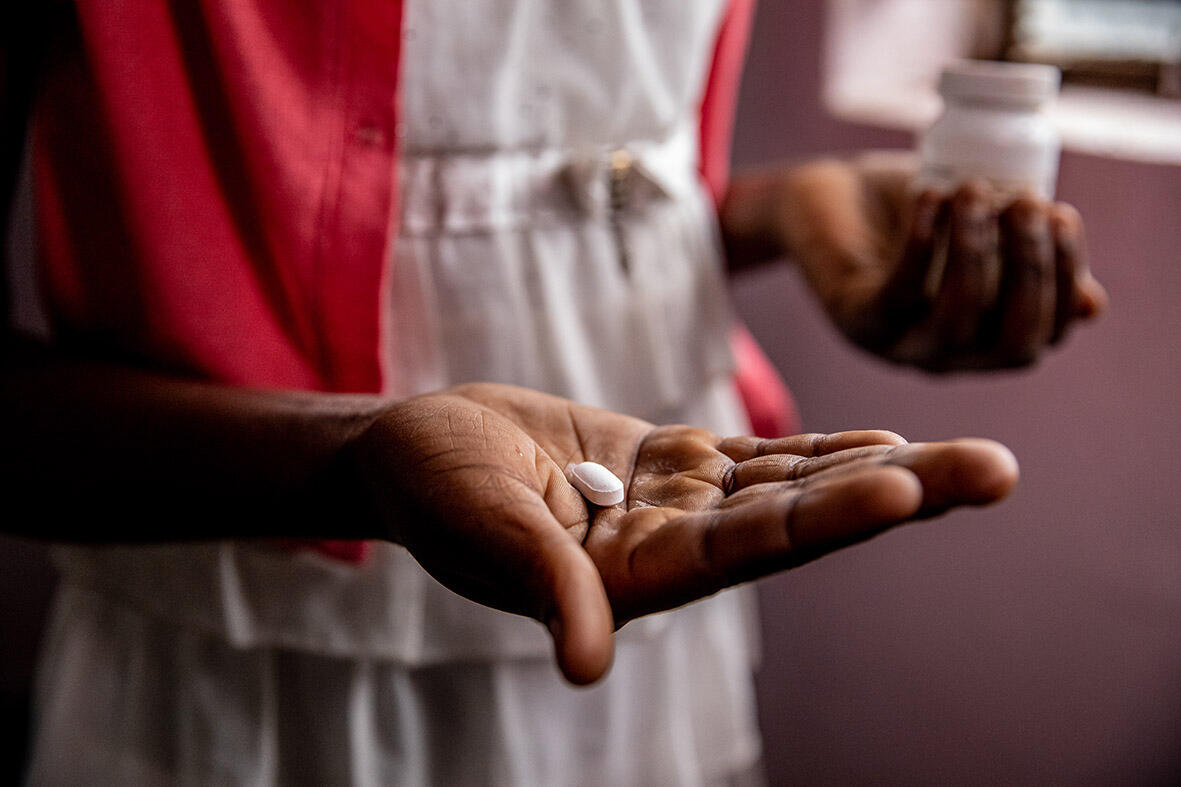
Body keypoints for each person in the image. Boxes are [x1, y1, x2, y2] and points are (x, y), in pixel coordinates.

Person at [1, 1, 1103, 784]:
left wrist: (769, 214)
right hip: (253, 662)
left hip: (660, 599)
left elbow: (564, 177)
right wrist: (348, 459)